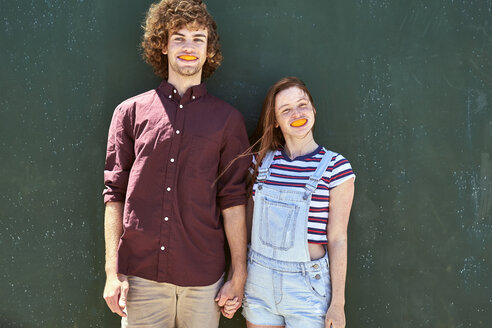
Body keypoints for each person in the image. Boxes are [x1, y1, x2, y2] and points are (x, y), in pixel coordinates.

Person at [102, 0, 249, 327]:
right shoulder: (130, 113)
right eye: (178, 37)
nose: (188, 47)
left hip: (203, 280)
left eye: (198, 38)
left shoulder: (228, 121)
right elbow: (114, 195)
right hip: (140, 280)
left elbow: (234, 200)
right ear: (163, 46)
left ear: (208, 49)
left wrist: (238, 274)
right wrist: (112, 272)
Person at [240, 77, 355, 328]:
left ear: (313, 109)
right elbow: (247, 230)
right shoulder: (259, 163)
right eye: (286, 110)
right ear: (276, 122)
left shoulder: (336, 167)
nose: (297, 113)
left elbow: (337, 238)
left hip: (308, 289)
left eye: (302, 105)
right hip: (260, 282)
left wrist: (338, 304)